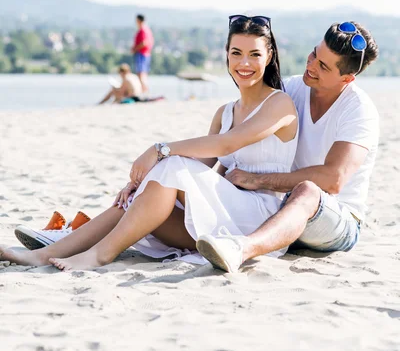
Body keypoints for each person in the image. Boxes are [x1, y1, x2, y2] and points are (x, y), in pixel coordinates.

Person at [1, 15, 298, 271]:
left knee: (172, 162)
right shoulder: (225, 112)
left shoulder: (279, 104)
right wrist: (145, 181)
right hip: (221, 219)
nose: (244, 63)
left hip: (259, 222)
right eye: (236, 53)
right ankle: (43, 255)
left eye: (255, 54)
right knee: (148, 186)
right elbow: (201, 169)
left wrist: (159, 150)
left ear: (269, 56)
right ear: (227, 55)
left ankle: (98, 255)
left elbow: (225, 145)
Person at [196, 21, 380, 273]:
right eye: (315, 53)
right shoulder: (290, 89)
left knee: (308, 190)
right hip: (281, 211)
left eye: (323, 66)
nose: (311, 65)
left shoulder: (359, 110)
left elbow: (333, 180)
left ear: (346, 78)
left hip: (337, 221)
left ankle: (240, 249)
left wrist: (259, 180)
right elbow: (237, 135)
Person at [131, 14, 154, 94]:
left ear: (139, 21)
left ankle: (144, 91)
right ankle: (144, 91)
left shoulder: (143, 30)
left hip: (142, 54)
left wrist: (135, 49)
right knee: (143, 73)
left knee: (141, 73)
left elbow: (144, 42)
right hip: (146, 54)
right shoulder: (148, 30)